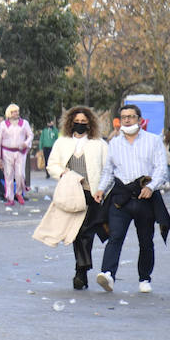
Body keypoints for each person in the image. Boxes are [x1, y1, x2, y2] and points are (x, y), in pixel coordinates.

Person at [93, 103, 170, 293]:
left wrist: (151, 187)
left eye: (131, 116)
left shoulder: (153, 141)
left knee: (145, 240)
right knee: (115, 236)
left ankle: (145, 278)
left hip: (145, 196)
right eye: (124, 117)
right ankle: (108, 274)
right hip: (121, 197)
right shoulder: (114, 143)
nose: (127, 120)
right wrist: (101, 189)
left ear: (140, 119)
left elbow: (161, 168)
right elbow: (108, 171)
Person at [45, 107, 107, 290]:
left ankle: (81, 271)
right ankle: (82, 269)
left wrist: (102, 190)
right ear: (71, 122)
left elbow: (107, 168)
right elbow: (52, 165)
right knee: (77, 233)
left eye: (84, 121)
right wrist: (63, 173)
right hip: (71, 192)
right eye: (77, 121)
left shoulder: (99, 144)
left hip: (92, 193)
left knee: (86, 232)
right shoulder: (62, 143)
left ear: (90, 123)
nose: (80, 124)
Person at [0, 104, 34, 205]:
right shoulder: (4, 124)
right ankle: (10, 198)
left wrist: (26, 143)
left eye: (17, 111)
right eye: (13, 112)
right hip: (7, 151)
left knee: (20, 174)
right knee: (8, 175)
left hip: (20, 152)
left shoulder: (24, 123)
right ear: (9, 113)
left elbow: (30, 135)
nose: (16, 113)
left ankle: (19, 193)